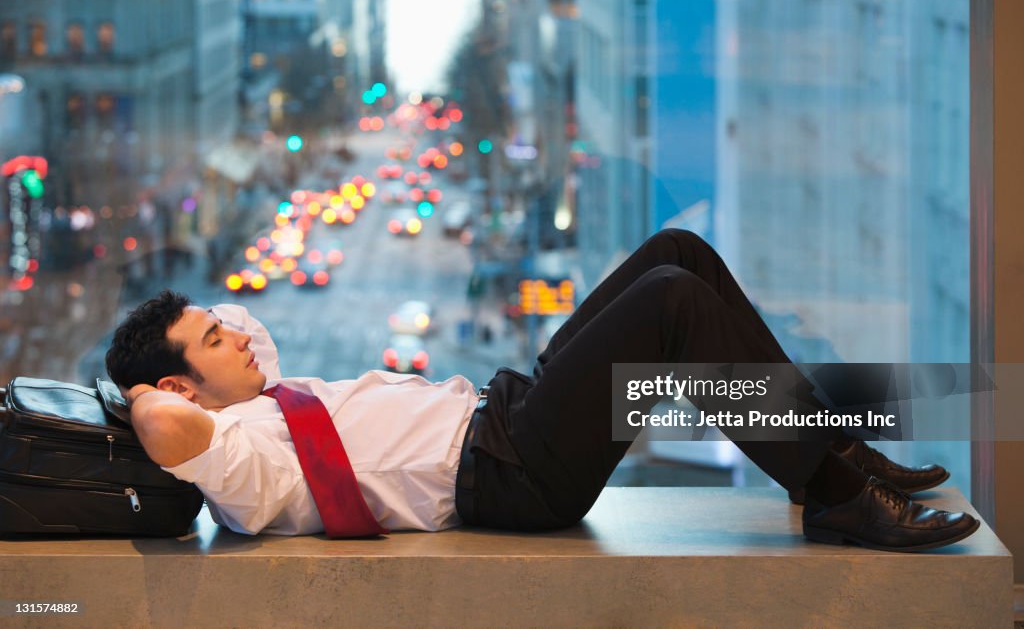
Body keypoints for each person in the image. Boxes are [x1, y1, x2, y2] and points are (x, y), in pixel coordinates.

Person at [105, 229, 979, 551]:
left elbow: (236, 342)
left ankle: (836, 449)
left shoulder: (261, 400)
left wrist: (204, 334)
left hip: (505, 411)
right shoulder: (240, 458)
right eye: (215, 339)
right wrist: (144, 392)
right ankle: (832, 494)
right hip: (513, 472)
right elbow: (169, 430)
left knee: (678, 255)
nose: (239, 334)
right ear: (180, 381)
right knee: (671, 308)